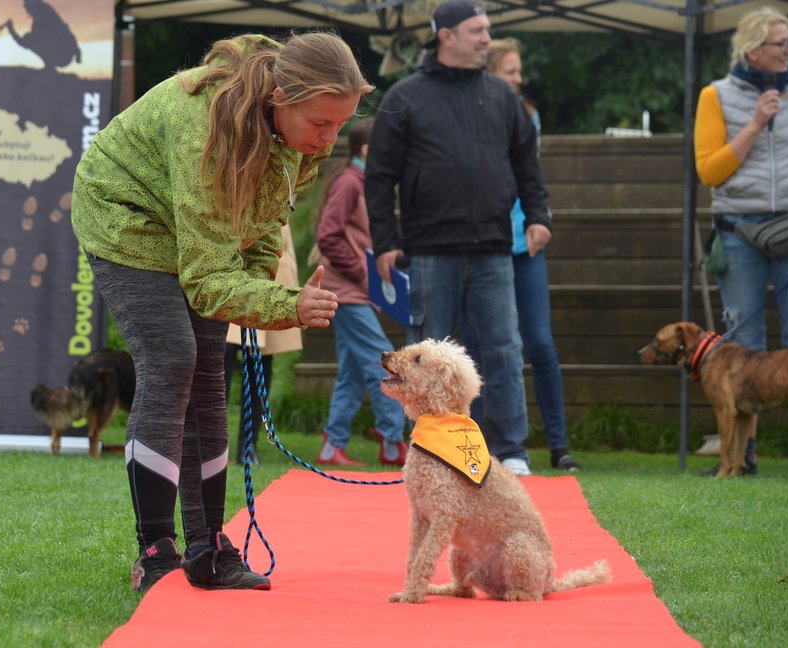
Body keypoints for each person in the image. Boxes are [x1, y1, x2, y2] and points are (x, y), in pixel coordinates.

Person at [71, 31, 372, 593]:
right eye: (321, 123)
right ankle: (156, 551)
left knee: (208, 370)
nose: (331, 138)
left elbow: (261, 223)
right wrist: (284, 305)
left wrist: (256, 294)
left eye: (341, 123)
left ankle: (209, 548)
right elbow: (209, 279)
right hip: (126, 216)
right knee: (172, 359)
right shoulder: (202, 126)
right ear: (282, 96)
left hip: (198, 228)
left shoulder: (302, 133)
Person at [365, 0, 551, 477]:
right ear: (446, 35)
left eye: (488, 30)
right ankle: (430, 450)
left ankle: (511, 450)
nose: (487, 38)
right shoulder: (405, 97)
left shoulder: (504, 97)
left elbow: (528, 165)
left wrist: (538, 215)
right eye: (477, 30)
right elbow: (379, 177)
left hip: (494, 248)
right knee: (423, 357)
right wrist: (386, 240)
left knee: (504, 349)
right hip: (428, 250)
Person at [694, 5, 788, 476]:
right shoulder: (715, 96)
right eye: (782, 43)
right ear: (754, 49)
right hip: (738, 229)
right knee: (743, 345)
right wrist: (755, 123)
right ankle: (744, 457)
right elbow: (709, 170)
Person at [486, 38, 579, 472]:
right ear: (488, 73)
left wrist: (541, 219)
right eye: (511, 72)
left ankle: (559, 445)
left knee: (539, 342)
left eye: (520, 72)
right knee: (485, 346)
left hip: (525, 246)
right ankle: (482, 443)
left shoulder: (528, 116)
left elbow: (531, 177)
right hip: (483, 247)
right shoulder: (469, 115)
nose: (520, 79)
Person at [312, 117, 408, 467]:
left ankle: (331, 444)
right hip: (348, 292)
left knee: (353, 371)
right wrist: (367, 279)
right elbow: (328, 236)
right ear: (368, 150)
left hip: (357, 292)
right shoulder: (350, 183)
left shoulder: (364, 182)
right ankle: (393, 442)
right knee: (384, 363)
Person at [223, 224, 302, 465]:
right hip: (231, 264)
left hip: (274, 263)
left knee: (260, 362)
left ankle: (248, 447)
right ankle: (211, 444)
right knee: (221, 358)